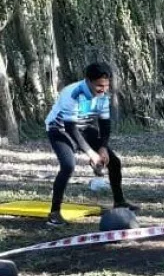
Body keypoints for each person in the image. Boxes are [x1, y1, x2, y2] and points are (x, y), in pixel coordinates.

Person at [44, 62, 139, 227]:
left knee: (114, 161)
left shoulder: (103, 95)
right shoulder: (72, 93)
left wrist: (103, 147)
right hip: (59, 129)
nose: (103, 89)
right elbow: (70, 128)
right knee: (68, 166)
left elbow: (105, 123)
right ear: (88, 81)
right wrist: (91, 153)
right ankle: (54, 213)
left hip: (85, 127)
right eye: (99, 86)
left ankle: (119, 202)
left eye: (106, 85)